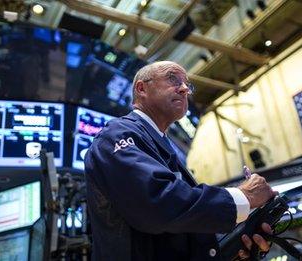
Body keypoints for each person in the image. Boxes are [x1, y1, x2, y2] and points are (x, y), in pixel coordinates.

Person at [84, 61, 278, 261]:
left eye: (188, 84)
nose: (185, 89)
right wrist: (243, 197)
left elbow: (180, 229)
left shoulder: (163, 148)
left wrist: (232, 247)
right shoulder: (116, 134)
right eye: (172, 78)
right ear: (142, 88)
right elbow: (158, 204)